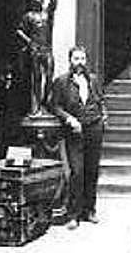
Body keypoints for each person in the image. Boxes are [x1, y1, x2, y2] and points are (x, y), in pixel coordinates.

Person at [50, 44, 108, 229]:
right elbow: (54, 106)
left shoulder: (93, 80)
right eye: (76, 59)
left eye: (82, 58)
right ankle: (73, 214)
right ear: (70, 61)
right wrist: (69, 119)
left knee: (92, 170)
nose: (80, 62)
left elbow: (100, 100)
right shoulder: (61, 82)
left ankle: (89, 210)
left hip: (94, 128)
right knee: (77, 172)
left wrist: (103, 115)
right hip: (74, 131)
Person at [15, 0, 57, 117]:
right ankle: (37, 106)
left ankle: (47, 102)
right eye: (36, 0)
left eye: (40, 0)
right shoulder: (29, 16)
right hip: (35, 49)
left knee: (50, 75)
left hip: (46, 49)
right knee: (36, 78)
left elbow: (53, 4)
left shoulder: (46, 15)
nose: (38, 1)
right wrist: (29, 41)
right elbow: (19, 30)